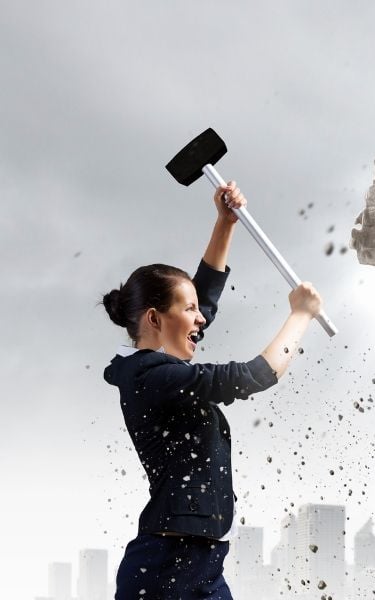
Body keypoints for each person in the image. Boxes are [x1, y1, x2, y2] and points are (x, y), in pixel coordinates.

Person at [101, 182, 323, 600]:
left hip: (200, 562)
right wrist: (301, 316)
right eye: (187, 310)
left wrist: (225, 224)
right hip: (168, 566)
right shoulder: (149, 376)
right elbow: (250, 376)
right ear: (154, 317)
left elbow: (201, 304)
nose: (200, 319)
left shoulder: (158, 367)